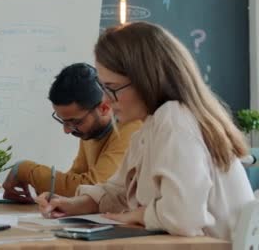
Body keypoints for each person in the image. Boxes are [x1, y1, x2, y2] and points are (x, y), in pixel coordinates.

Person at [35, 22, 253, 240]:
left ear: (146, 79)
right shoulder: (150, 126)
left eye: (112, 88)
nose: (106, 100)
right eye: (103, 88)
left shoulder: (175, 119)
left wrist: (140, 214)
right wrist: (73, 205)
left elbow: (183, 218)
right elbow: (119, 192)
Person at [2, 63, 142, 202]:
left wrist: (25, 169)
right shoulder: (91, 131)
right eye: (63, 121)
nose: (67, 130)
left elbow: (95, 188)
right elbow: (73, 182)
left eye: (75, 122)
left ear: (104, 108)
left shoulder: (132, 129)